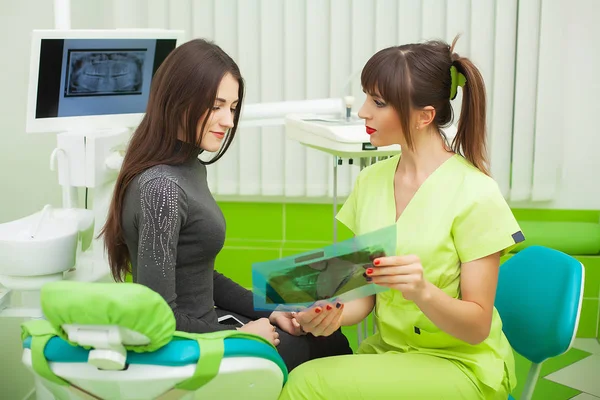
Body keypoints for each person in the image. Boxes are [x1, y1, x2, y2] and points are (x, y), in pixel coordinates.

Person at [278, 36, 525, 399]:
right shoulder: (370, 181)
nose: (363, 112)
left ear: (424, 116)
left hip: (461, 365)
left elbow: (476, 326)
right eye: (367, 98)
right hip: (391, 353)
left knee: (307, 385)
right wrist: (328, 312)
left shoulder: (476, 194)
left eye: (379, 103)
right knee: (292, 362)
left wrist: (422, 291)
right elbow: (363, 294)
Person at [99, 38, 352, 372]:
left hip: (209, 330)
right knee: (328, 344)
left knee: (324, 337)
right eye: (216, 106)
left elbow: (200, 275)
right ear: (178, 101)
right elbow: (159, 316)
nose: (228, 120)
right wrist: (240, 336)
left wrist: (269, 311)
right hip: (192, 351)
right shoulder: (161, 188)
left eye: (232, 108)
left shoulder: (187, 167)